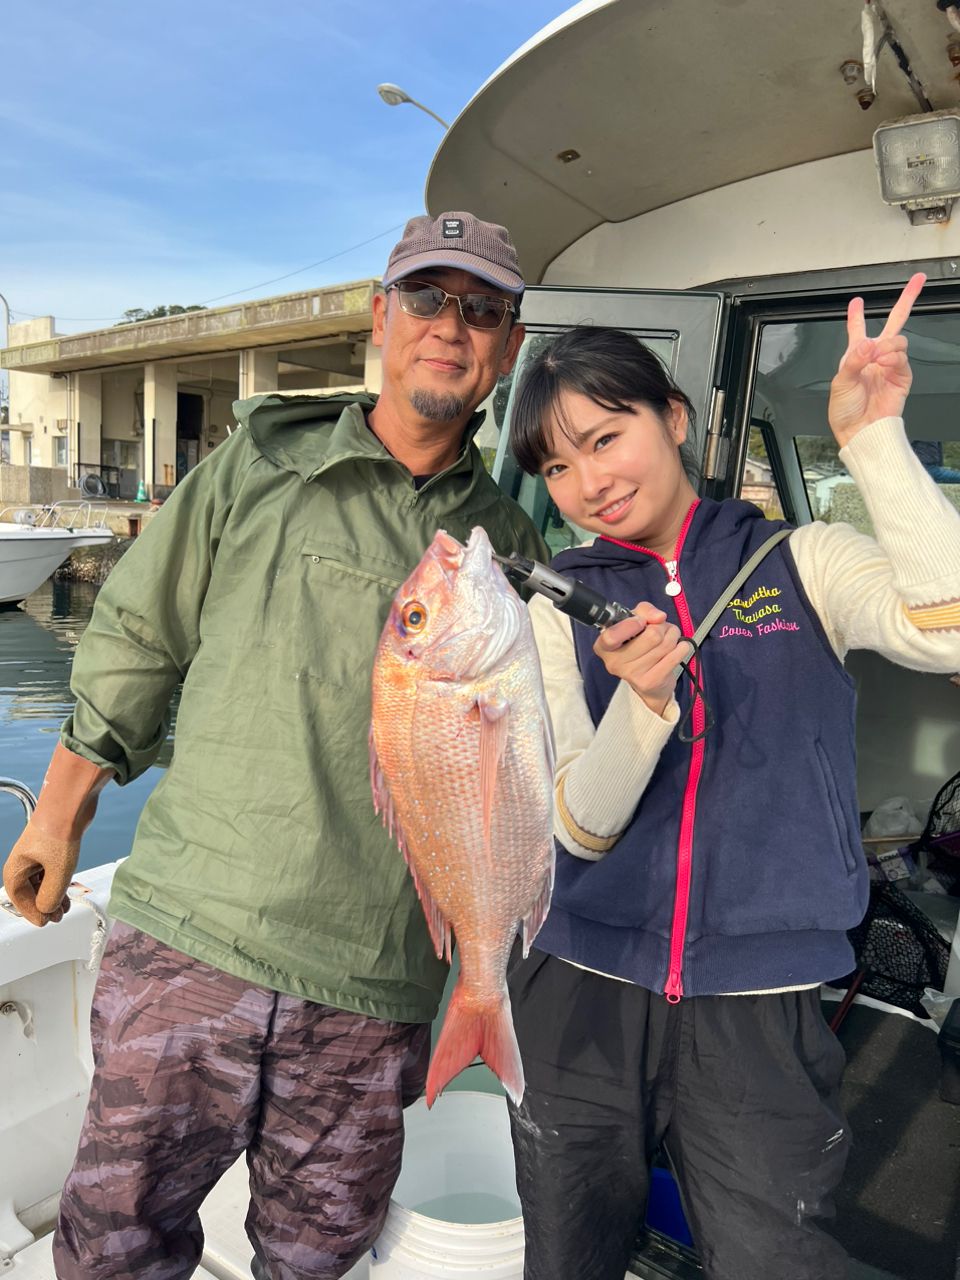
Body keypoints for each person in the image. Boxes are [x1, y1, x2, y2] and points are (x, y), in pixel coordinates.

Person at [1, 211, 547, 1280]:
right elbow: (139, 633)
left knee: (316, 1256)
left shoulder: (508, 547)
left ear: (510, 348)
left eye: (482, 310)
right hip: (189, 936)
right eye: (428, 299)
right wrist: (59, 813)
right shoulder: (258, 459)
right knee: (115, 1243)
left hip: (375, 986)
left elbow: (519, 776)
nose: (451, 326)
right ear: (381, 318)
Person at [503, 274, 960, 1280]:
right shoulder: (555, 607)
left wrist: (872, 439)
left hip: (764, 994)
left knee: (774, 1254)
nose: (589, 479)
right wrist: (643, 703)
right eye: (558, 463)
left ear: (674, 419)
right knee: (567, 1249)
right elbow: (578, 828)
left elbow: (951, 623)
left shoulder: (806, 560)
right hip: (576, 983)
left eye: (605, 435)